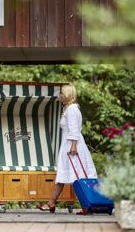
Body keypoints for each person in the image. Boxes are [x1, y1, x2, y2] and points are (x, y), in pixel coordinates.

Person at [36, 84, 97, 213]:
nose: (60, 96)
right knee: (66, 175)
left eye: (62, 93)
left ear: (68, 95)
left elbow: (74, 129)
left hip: (72, 147)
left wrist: (73, 146)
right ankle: (51, 203)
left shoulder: (72, 109)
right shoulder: (70, 109)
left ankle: (87, 205)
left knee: (79, 176)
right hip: (68, 146)